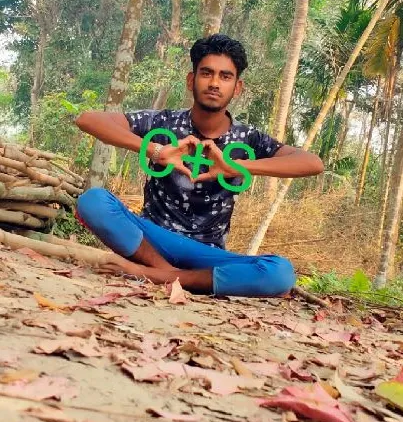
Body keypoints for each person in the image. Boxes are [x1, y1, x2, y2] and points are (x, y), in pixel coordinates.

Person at [76, 35, 323, 298]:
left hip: (207, 253)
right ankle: (164, 271)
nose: (215, 83)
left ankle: (158, 275)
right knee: (93, 202)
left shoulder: (248, 138)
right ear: (191, 80)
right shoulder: (164, 123)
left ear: (237, 87)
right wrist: (157, 150)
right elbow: (89, 119)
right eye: (207, 73)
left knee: (280, 273)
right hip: (152, 239)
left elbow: (312, 163)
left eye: (225, 76)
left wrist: (237, 166)